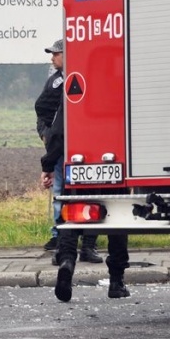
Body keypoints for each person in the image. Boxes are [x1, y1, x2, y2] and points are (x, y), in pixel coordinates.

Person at [40, 102, 129, 302]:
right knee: (118, 219)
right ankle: (116, 281)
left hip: (79, 163)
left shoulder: (75, 89)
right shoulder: (122, 86)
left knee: (70, 218)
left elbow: (57, 132)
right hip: (118, 162)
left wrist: (48, 164)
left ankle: (67, 264)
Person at [35, 39, 101, 262]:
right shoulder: (56, 81)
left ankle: (86, 245)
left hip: (82, 148)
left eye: (56, 54)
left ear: (68, 54)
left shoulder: (75, 78)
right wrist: (46, 134)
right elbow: (42, 110)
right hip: (62, 148)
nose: (52, 58)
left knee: (89, 195)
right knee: (64, 194)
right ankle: (62, 241)